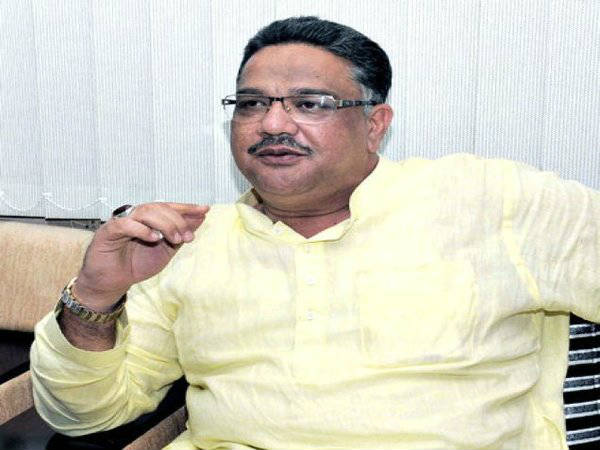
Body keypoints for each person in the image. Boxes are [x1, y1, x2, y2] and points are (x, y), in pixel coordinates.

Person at [30, 16, 600, 450]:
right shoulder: (185, 242)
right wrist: (96, 297)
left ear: (375, 124)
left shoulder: (490, 200)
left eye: (310, 103)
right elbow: (86, 417)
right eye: (251, 104)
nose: (273, 123)